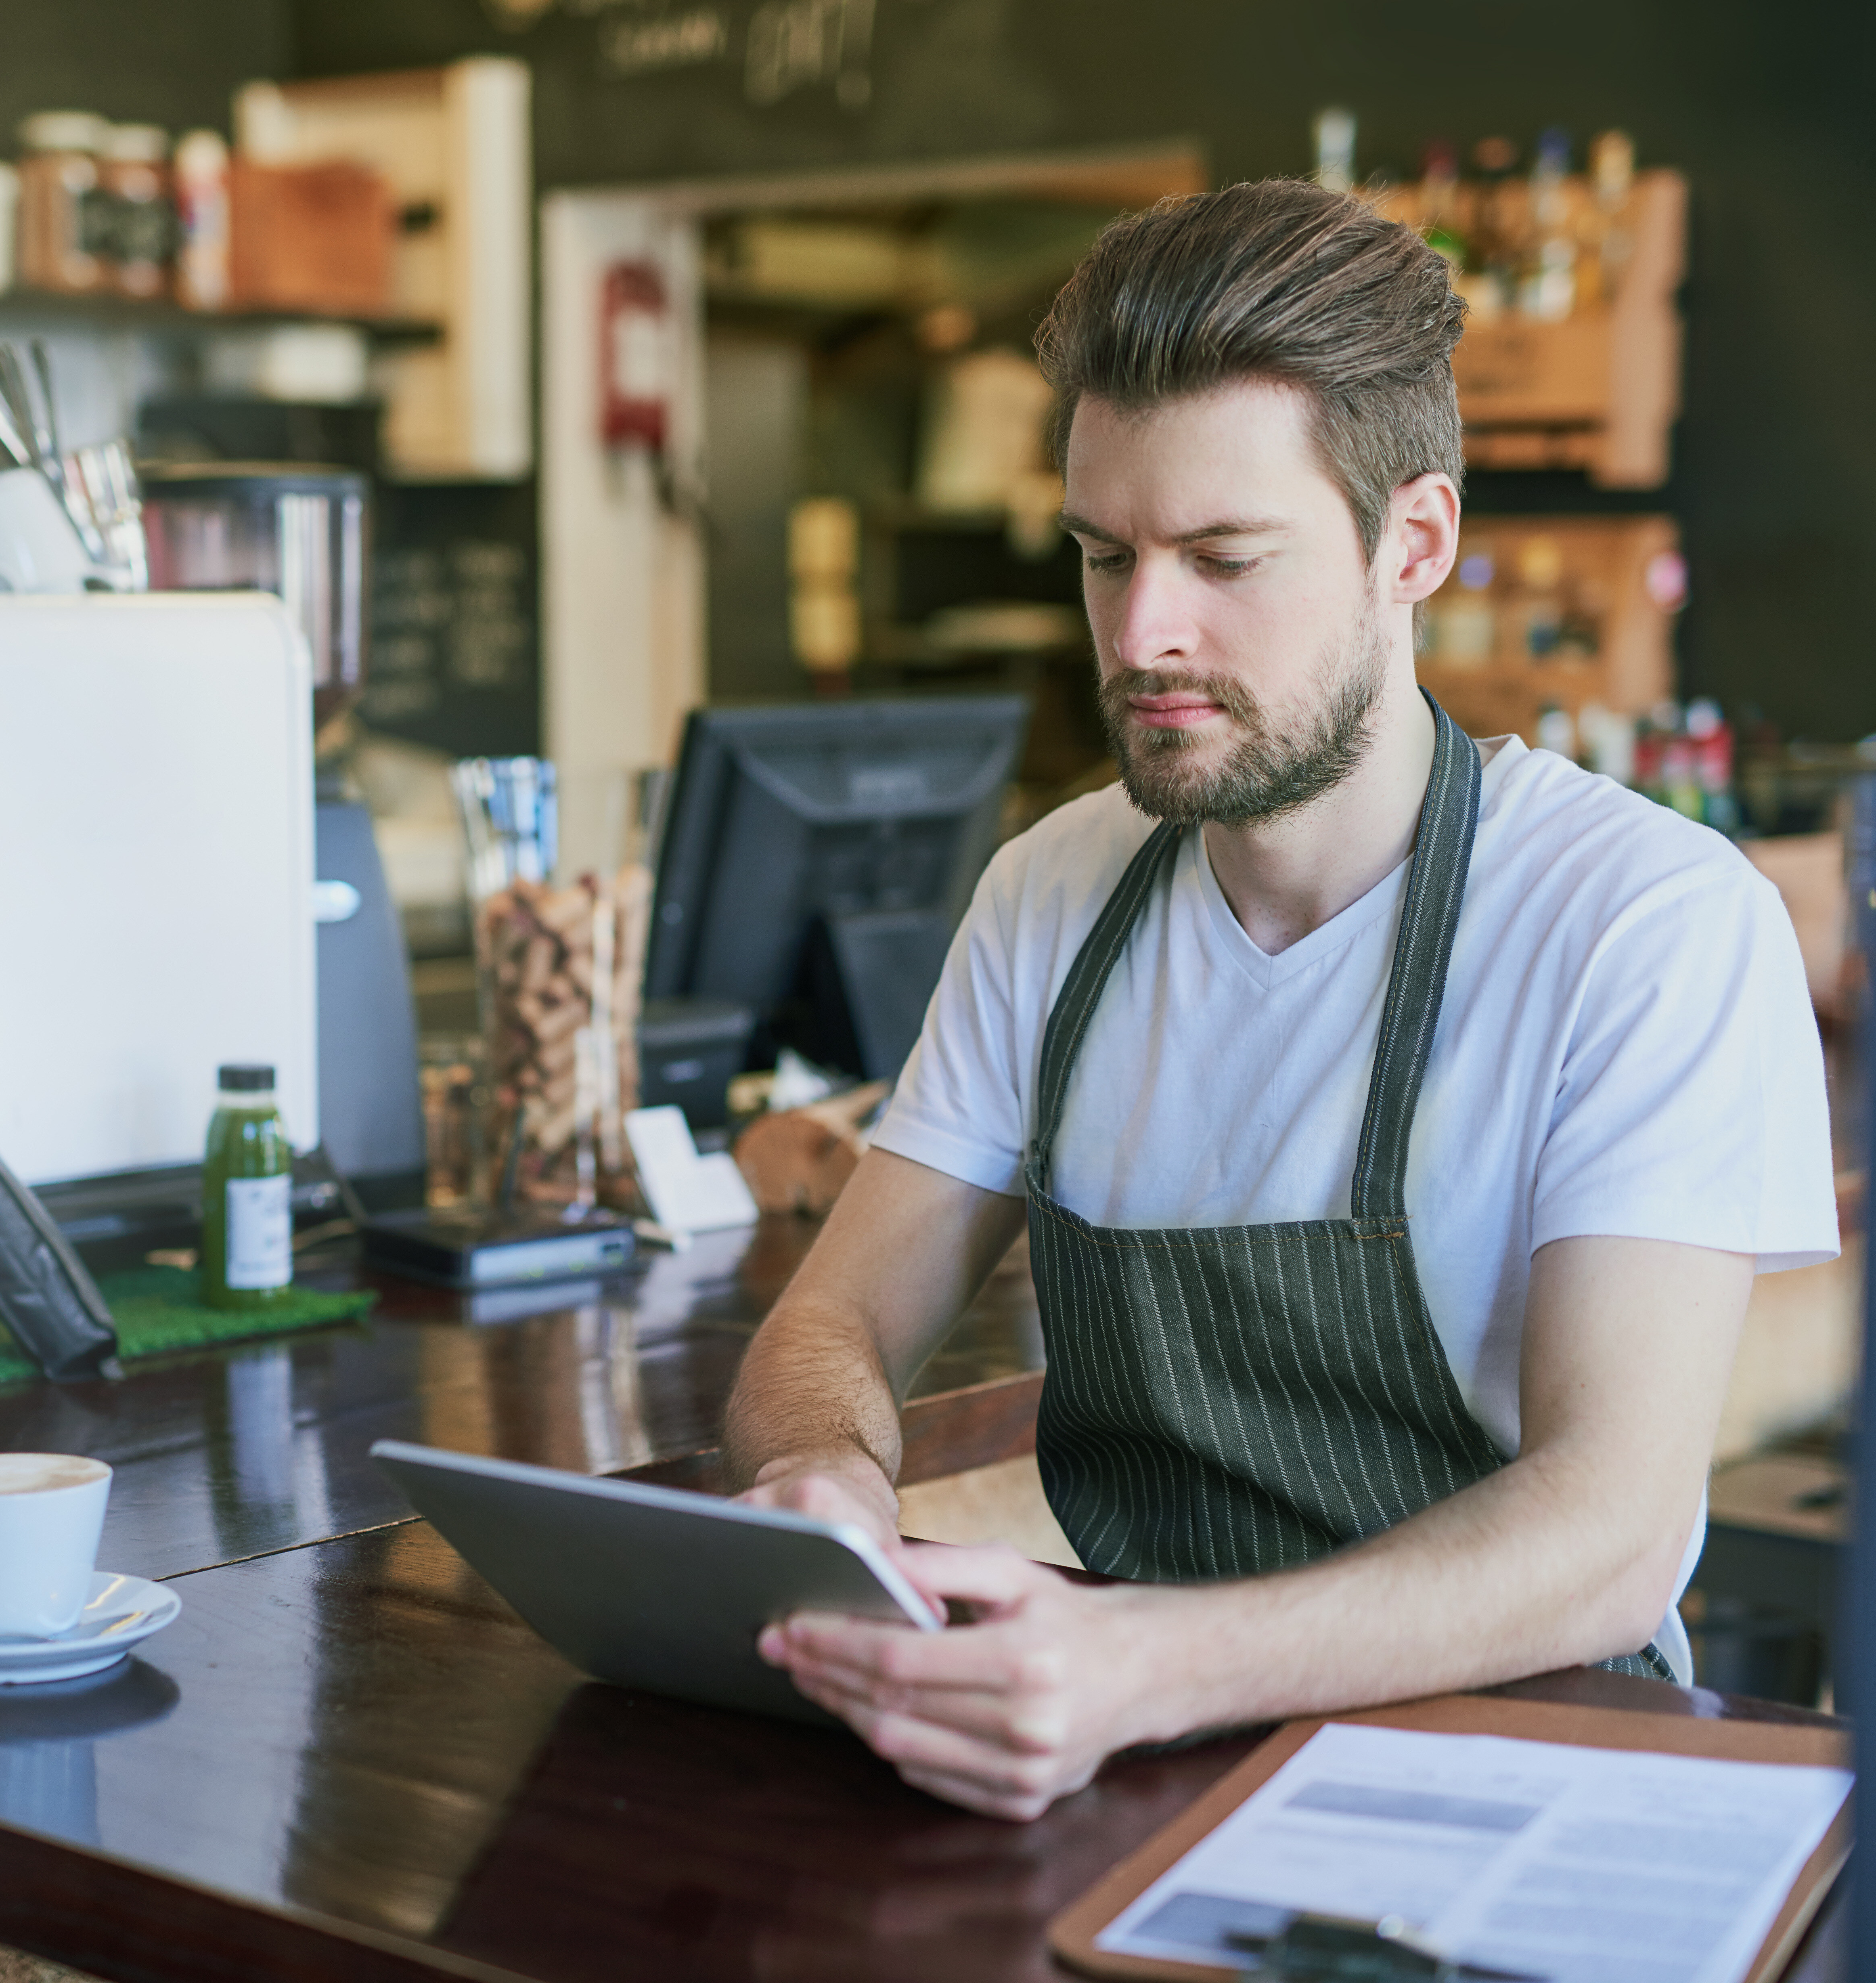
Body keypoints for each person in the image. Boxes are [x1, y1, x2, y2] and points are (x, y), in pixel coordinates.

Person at [725, 177, 1836, 1821]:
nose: (1144, 633)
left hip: (1518, 1784)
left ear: (1419, 544)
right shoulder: (1054, 890)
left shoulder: (1645, 927)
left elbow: (1607, 1534)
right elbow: (825, 1327)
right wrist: (823, 1468)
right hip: (1123, 1774)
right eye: (1106, 557)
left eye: (1224, 558)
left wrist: (1150, 1664)